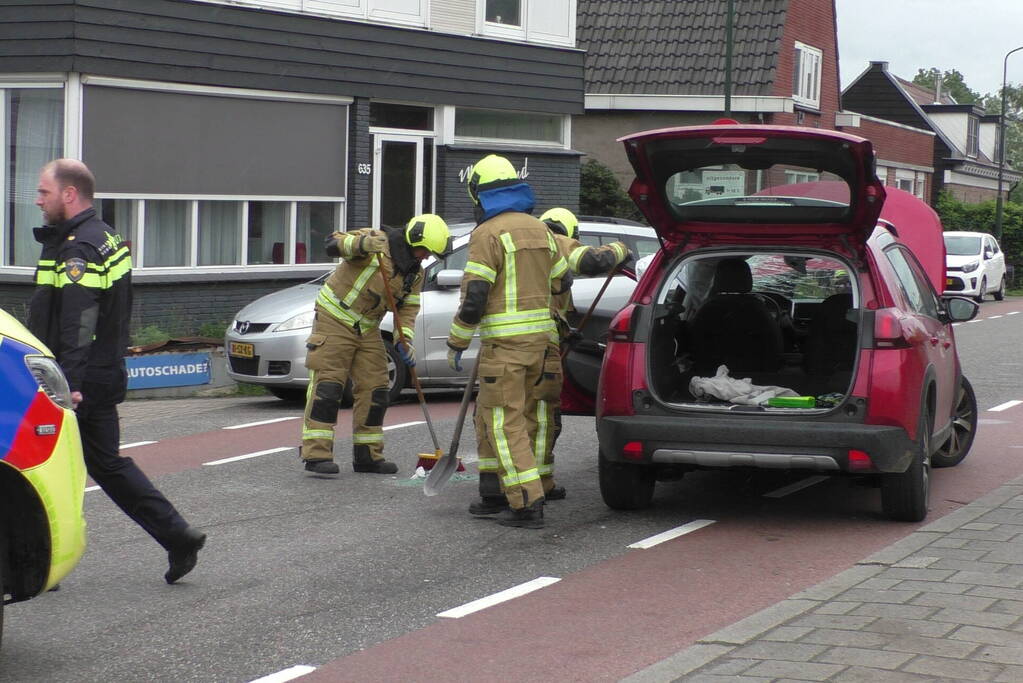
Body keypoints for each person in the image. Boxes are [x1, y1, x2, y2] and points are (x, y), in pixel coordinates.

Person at [29, 159, 205, 584]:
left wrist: (66, 385)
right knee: (105, 465)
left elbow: (79, 322)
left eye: (44, 193)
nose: (37, 201)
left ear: (69, 195)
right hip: (101, 373)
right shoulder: (106, 238)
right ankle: (177, 535)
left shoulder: (77, 248)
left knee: (36, 467)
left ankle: (35, 562)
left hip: (74, 380)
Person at [447, 154, 568, 529]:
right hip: (541, 344)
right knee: (523, 418)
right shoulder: (542, 229)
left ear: (480, 194)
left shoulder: (486, 234)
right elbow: (561, 283)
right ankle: (496, 492)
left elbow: (475, 295)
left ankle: (526, 503)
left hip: (505, 348)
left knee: (503, 423)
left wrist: (457, 341)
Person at [300, 214, 450, 475]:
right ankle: (316, 454)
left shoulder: (415, 272)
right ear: (413, 239)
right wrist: (361, 245)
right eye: (424, 251)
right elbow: (332, 243)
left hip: (368, 327)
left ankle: (367, 455)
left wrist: (405, 340)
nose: (425, 257)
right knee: (329, 385)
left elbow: (409, 308)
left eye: (429, 254)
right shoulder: (376, 240)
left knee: (376, 389)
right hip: (335, 317)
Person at [537, 207, 632, 500]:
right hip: (540, 348)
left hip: (505, 346)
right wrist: (621, 249)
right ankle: (538, 482)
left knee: (505, 415)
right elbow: (590, 260)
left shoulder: (520, 247)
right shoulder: (555, 241)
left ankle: (494, 484)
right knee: (542, 415)